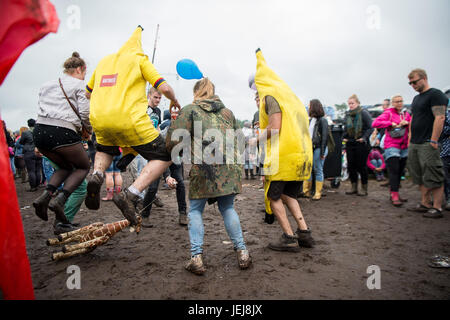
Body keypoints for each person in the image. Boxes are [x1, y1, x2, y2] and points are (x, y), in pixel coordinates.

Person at [84, 26, 180, 230]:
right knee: (167, 154)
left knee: (105, 149)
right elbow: (164, 87)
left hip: (100, 119)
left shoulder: (104, 62)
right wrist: (174, 101)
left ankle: (97, 175)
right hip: (130, 120)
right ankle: (131, 193)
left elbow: (87, 93)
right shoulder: (140, 59)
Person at [166, 78, 251, 275]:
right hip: (229, 170)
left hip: (203, 169)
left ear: (197, 92)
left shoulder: (190, 110)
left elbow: (171, 142)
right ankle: (243, 252)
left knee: (195, 210)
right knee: (228, 207)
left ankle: (196, 257)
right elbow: (241, 143)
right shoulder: (228, 113)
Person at [253, 49, 314, 252]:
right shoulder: (292, 98)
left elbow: (275, 128)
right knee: (290, 195)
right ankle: (304, 233)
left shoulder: (270, 97)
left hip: (283, 156)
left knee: (273, 196)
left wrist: (255, 140)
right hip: (302, 155)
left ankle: (289, 237)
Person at [31, 52, 92, 227]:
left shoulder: (46, 85)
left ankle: (45, 197)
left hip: (40, 131)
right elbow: (85, 113)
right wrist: (88, 129)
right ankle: (60, 200)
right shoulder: (81, 85)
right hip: (62, 131)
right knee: (83, 167)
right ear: (80, 69)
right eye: (84, 73)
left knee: (65, 167)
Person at [406, 68, 448, 218]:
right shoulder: (417, 98)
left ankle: (437, 207)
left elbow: (440, 117)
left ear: (424, 78)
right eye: (410, 83)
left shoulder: (436, 94)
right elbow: (413, 118)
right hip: (415, 142)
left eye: (415, 82)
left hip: (428, 142)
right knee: (419, 174)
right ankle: (425, 203)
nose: (413, 85)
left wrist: (434, 140)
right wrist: (410, 136)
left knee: (434, 174)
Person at [372, 95, 411, 206]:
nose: (399, 103)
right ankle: (394, 195)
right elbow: (375, 123)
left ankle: (395, 192)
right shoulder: (388, 113)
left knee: (400, 170)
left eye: (401, 101)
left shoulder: (406, 114)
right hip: (391, 144)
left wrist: (407, 124)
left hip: (404, 145)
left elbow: (411, 127)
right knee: (394, 169)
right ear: (393, 103)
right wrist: (390, 123)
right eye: (397, 101)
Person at [141, 87, 166, 224]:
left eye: (159, 98)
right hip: (139, 147)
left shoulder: (158, 111)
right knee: (143, 178)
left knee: (153, 182)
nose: (157, 100)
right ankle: (139, 205)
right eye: (155, 97)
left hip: (153, 146)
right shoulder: (142, 108)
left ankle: (145, 214)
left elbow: (157, 127)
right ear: (149, 95)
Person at [343, 94, 373, 196]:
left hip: (361, 144)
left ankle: (364, 188)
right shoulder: (347, 114)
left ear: (358, 103)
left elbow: (370, 127)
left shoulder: (363, 113)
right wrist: (344, 137)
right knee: (351, 166)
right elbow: (345, 128)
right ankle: (353, 187)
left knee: (361, 166)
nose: (350, 105)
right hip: (350, 143)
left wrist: (364, 138)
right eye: (349, 104)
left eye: (352, 103)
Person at [303, 99, 329, 201]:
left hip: (318, 148)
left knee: (318, 169)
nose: (308, 108)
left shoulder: (323, 120)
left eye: (309, 106)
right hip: (311, 148)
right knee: (309, 169)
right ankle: (306, 191)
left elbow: (325, 137)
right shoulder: (310, 121)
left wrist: (322, 152)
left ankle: (318, 192)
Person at [19, 119, 42, 192]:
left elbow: (21, 142)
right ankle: (37, 185)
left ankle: (33, 187)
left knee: (31, 171)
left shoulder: (25, 133)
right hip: (38, 151)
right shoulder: (38, 132)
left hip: (29, 152)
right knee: (38, 170)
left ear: (28, 124)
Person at [440, 107, 450, 211]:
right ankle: (447, 198)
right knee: (444, 176)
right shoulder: (443, 112)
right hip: (443, 150)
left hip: (445, 149)